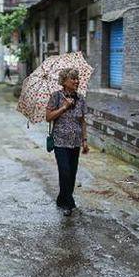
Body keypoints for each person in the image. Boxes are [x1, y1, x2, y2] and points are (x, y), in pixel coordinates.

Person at [45, 68, 89, 217]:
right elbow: (48, 117)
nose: (77, 81)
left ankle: (61, 198)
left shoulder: (81, 99)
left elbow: (83, 121)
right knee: (64, 171)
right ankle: (68, 204)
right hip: (60, 141)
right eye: (73, 79)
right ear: (64, 82)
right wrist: (64, 107)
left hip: (75, 142)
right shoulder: (56, 97)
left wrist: (85, 140)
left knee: (72, 173)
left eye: (77, 79)